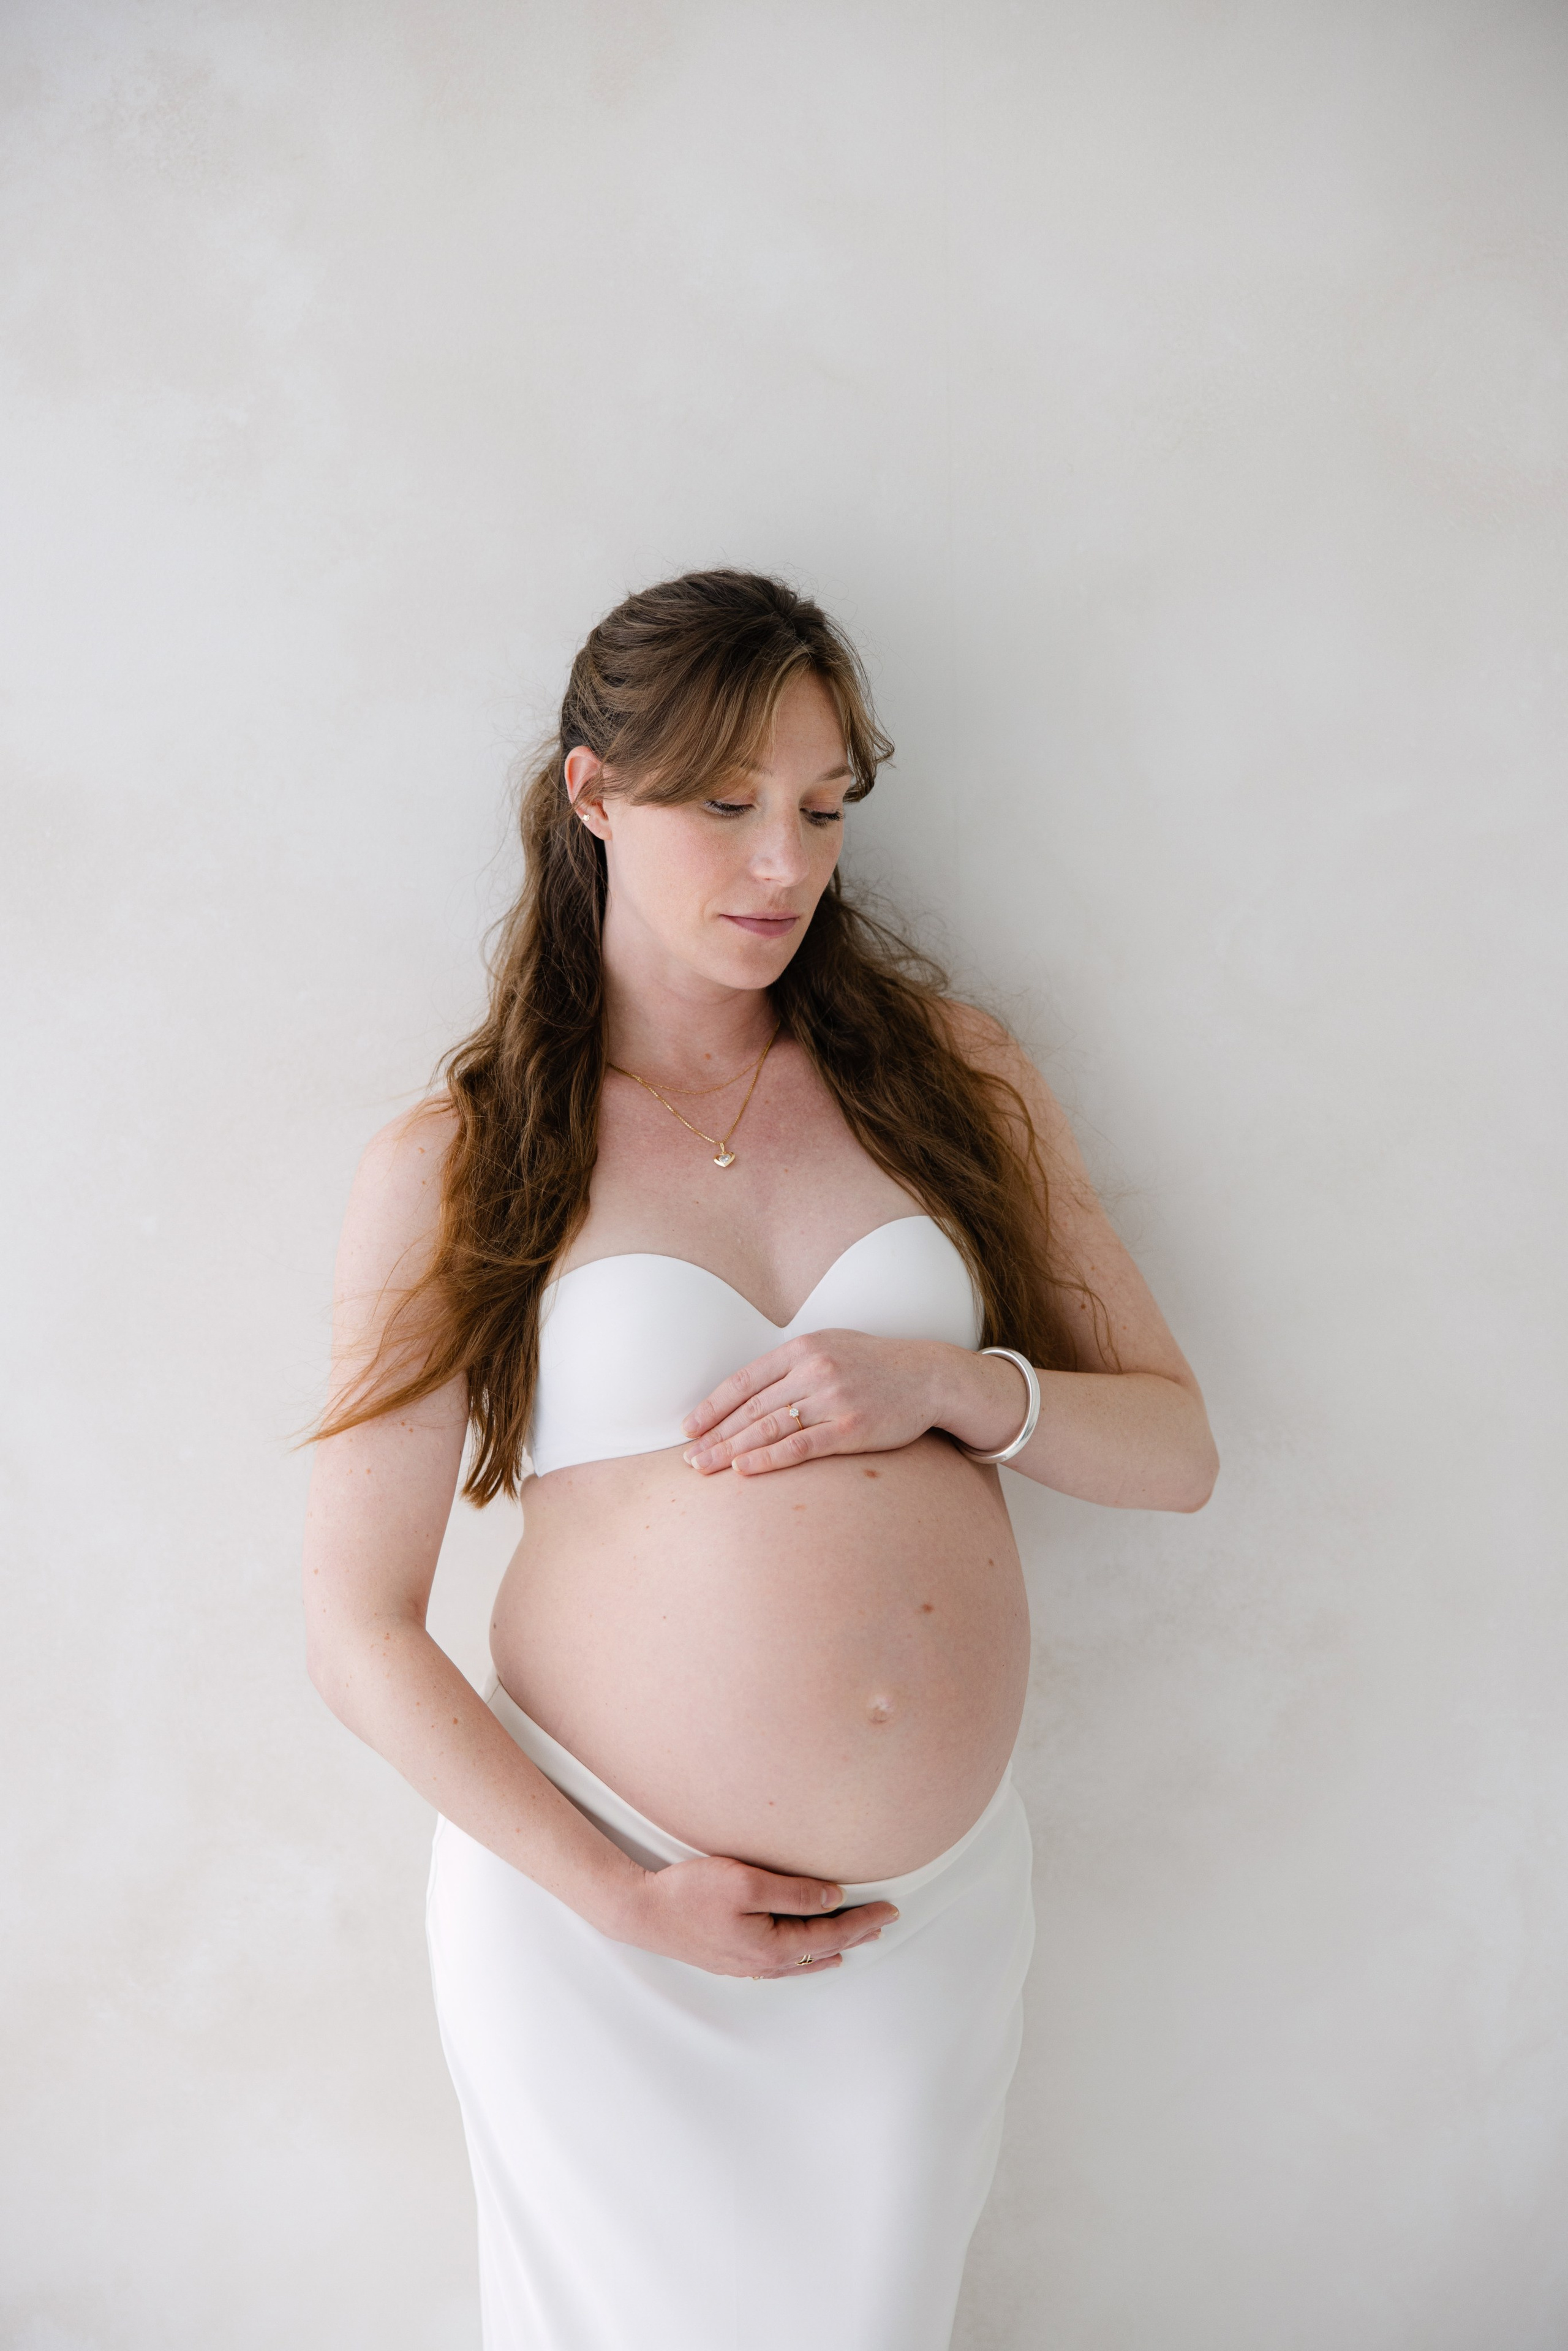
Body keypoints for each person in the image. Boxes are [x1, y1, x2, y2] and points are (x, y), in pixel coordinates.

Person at [302, 568, 1218, 2351]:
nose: (782, 865)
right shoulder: (464, 1156)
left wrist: (954, 1386)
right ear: (592, 798)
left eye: (820, 809)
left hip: (910, 1928)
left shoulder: (945, 1076)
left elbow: (1174, 1450)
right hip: (601, 1926)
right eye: (724, 805)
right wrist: (623, 1896)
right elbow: (358, 1628)